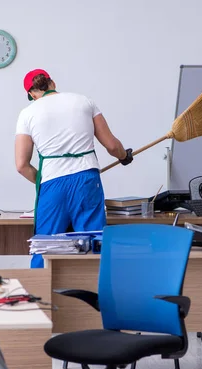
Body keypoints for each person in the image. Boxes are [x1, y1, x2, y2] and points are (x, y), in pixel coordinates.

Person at [15, 69, 132, 268]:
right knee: (93, 246)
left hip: (52, 184)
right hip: (86, 179)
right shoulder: (84, 101)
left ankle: (39, 296)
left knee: (45, 248)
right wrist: (124, 156)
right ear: (52, 83)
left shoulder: (27, 113)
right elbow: (112, 146)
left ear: (32, 94)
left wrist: (42, 182)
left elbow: (21, 165)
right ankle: (96, 295)